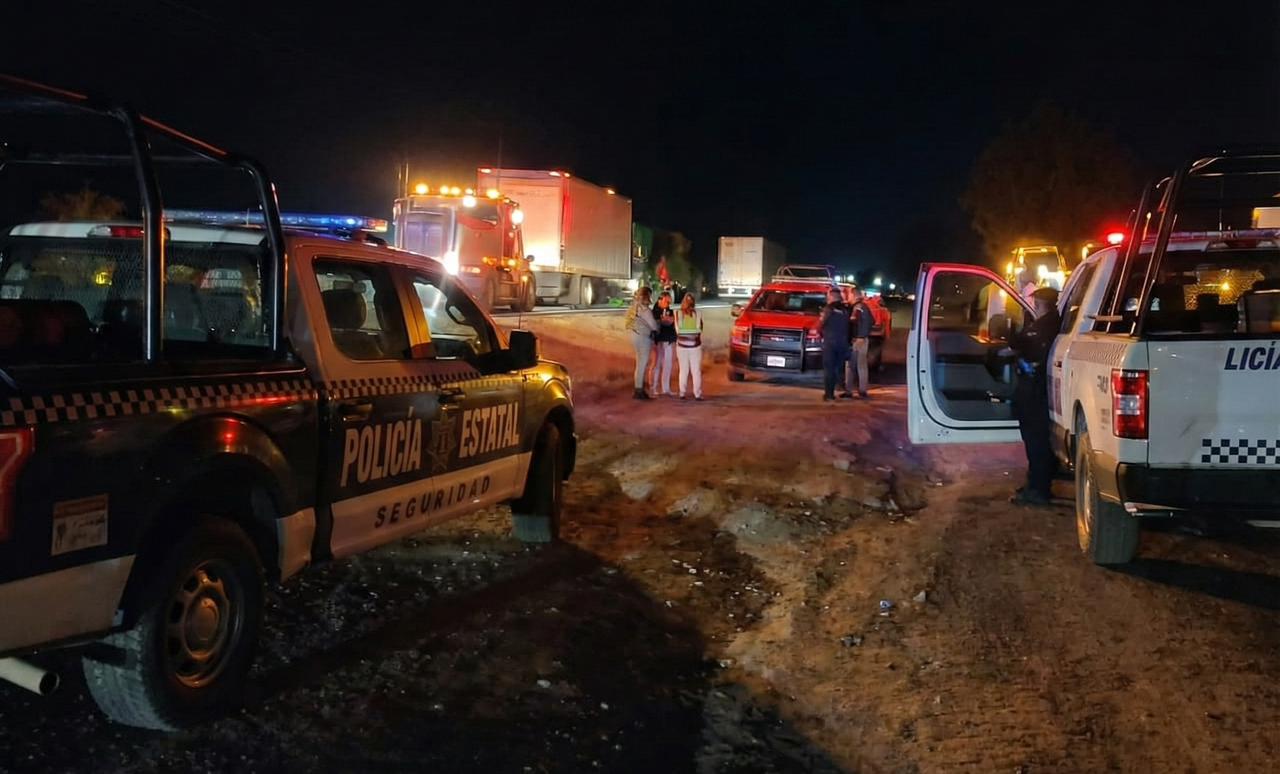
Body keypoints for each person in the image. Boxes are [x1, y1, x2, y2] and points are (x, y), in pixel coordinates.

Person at [1004, 287, 1061, 506]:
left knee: (1036, 442)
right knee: (1037, 442)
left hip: (1035, 394)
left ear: (1038, 304)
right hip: (1039, 392)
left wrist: (1009, 342)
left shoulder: (1042, 327)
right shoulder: (1054, 323)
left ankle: (1038, 490)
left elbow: (1019, 345)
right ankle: (1035, 484)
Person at [817, 287, 851, 402]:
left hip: (830, 344)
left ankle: (829, 394)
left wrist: (822, 334)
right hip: (842, 343)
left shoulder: (828, 309)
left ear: (831, 297)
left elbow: (820, 326)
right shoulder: (846, 310)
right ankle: (837, 388)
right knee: (837, 369)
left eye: (828, 296)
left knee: (828, 369)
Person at [625, 286, 659, 399]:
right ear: (647, 296)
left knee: (639, 364)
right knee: (642, 364)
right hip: (643, 337)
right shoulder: (645, 309)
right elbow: (653, 325)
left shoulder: (634, 307)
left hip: (634, 335)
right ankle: (639, 391)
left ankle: (638, 388)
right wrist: (658, 326)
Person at [674, 293, 705, 400]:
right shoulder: (698, 313)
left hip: (681, 346)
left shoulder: (678, 313)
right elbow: (701, 328)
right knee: (696, 371)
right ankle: (697, 394)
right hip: (695, 346)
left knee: (683, 370)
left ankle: (682, 393)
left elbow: (677, 330)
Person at [845, 286, 873, 399]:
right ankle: (859, 390)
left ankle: (855, 391)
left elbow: (854, 322)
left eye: (849, 295)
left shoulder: (858, 307)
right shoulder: (863, 307)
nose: (848, 297)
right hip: (860, 339)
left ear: (854, 295)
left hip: (857, 340)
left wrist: (861, 336)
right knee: (858, 366)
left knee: (854, 366)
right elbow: (871, 321)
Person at [649, 291, 676, 396]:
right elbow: (654, 325)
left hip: (668, 340)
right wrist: (663, 320)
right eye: (666, 301)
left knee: (668, 364)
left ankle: (666, 388)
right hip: (658, 341)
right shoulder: (654, 312)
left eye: (669, 302)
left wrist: (670, 320)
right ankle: (654, 388)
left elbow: (673, 322)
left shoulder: (669, 310)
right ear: (660, 300)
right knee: (657, 364)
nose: (668, 304)